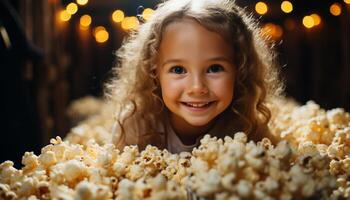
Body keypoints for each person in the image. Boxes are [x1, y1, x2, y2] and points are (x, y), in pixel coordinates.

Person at [105, 0, 284, 153]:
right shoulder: (135, 126)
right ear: (153, 73)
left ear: (240, 70)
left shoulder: (247, 125)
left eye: (214, 68)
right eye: (178, 70)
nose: (197, 87)